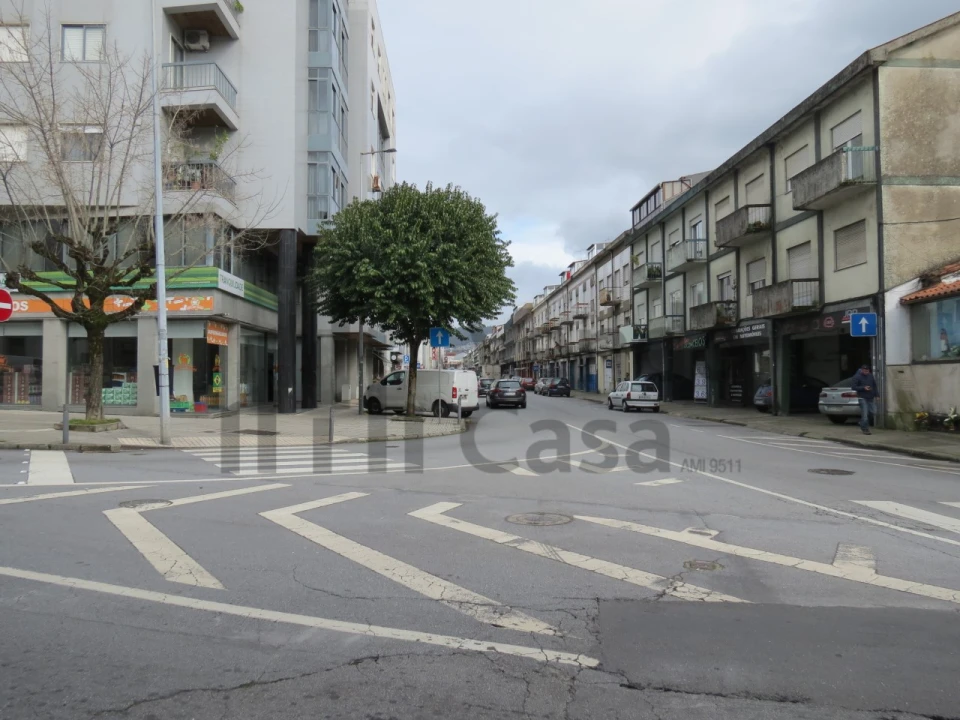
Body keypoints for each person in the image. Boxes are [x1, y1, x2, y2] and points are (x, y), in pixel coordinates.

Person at [851, 364, 878, 435]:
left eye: (867, 371)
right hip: (862, 397)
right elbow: (853, 387)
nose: (866, 372)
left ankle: (862, 422)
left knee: (874, 412)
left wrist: (877, 395)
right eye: (865, 371)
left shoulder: (870, 376)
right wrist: (863, 388)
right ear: (862, 370)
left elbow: (874, 385)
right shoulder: (857, 377)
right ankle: (865, 429)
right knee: (865, 414)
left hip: (870, 397)